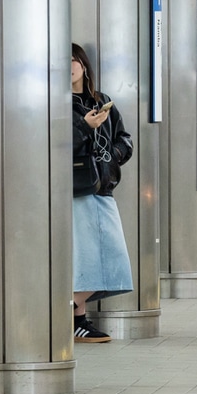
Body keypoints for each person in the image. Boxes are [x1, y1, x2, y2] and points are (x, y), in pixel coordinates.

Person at [70, 43, 134, 344]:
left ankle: (68, 313)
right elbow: (53, 145)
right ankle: (74, 317)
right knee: (85, 260)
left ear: (84, 65)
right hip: (76, 187)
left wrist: (115, 154)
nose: (69, 67)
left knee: (112, 257)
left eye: (74, 61)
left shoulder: (102, 100)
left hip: (103, 186)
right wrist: (84, 126)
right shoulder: (55, 103)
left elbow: (124, 137)